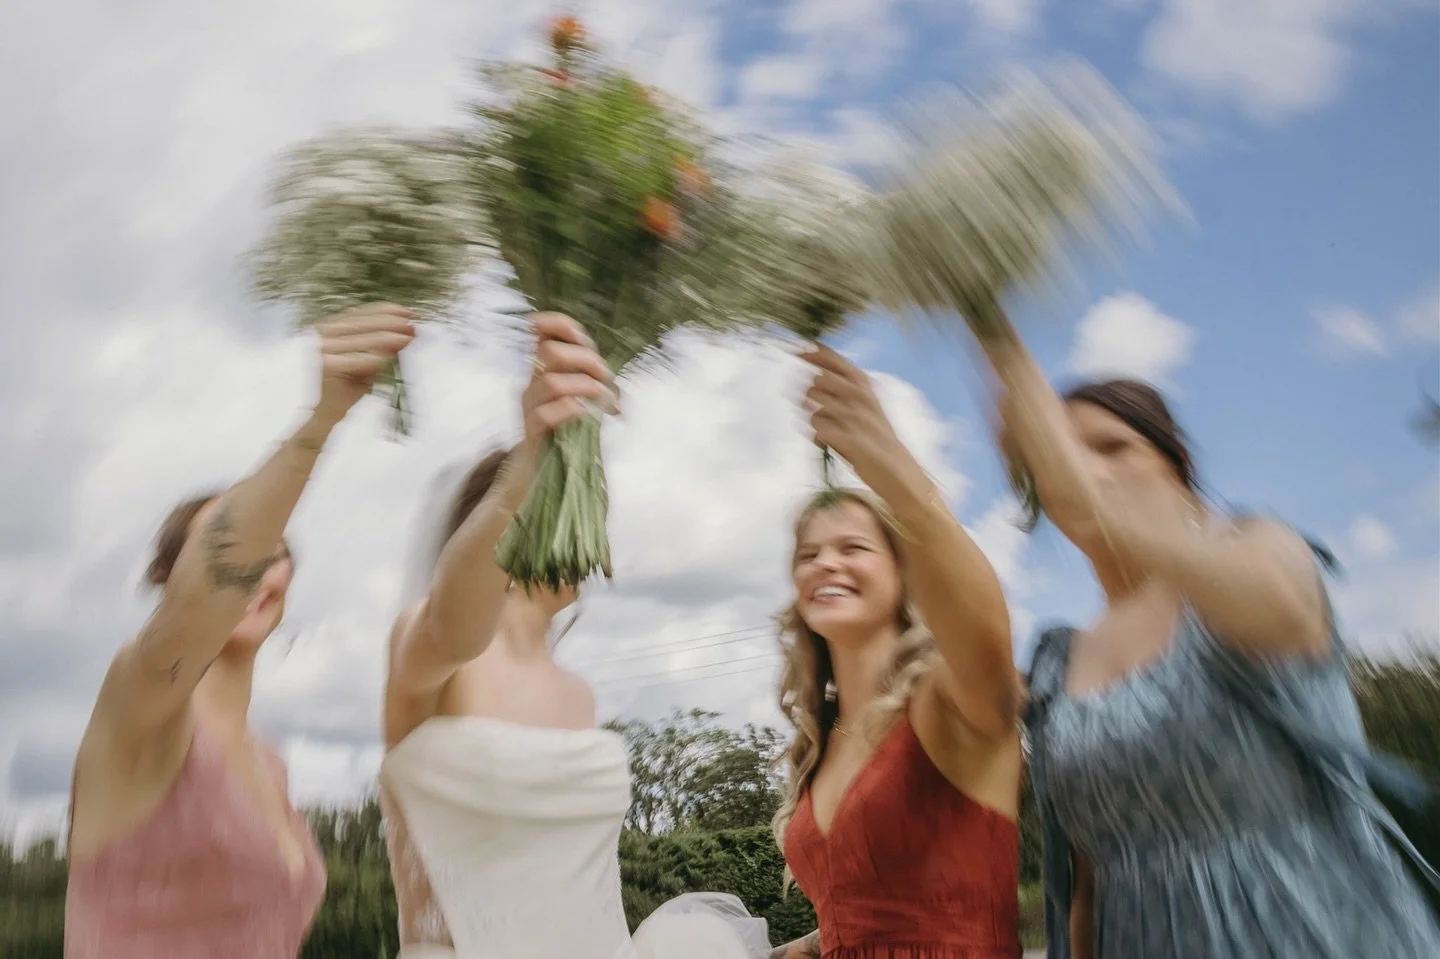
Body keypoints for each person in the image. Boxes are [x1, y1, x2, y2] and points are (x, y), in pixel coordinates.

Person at [977, 322, 1440, 959]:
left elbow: (1277, 608)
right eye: (1060, 455)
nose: (1084, 472)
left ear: (1181, 470)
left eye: (1113, 448)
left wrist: (993, 329)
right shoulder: (1058, 661)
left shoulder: (1260, 551)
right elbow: (1087, 887)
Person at [380, 312, 772, 959]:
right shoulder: (434, 648)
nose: (599, 524)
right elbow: (453, 616)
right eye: (576, 494)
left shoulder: (578, 695)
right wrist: (531, 455)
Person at [64, 303, 417, 958]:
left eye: (276, 551)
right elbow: (212, 585)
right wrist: (322, 418)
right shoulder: (139, 709)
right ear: (173, 581)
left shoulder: (272, 766)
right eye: (236, 551)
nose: (258, 567)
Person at [767, 344, 1024, 959]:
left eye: (853, 548)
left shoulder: (947, 702)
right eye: (809, 555)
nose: (827, 562)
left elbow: (987, 632)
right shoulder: (820, 746)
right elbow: (864, 916)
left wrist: (892, 469)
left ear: (906, 577)